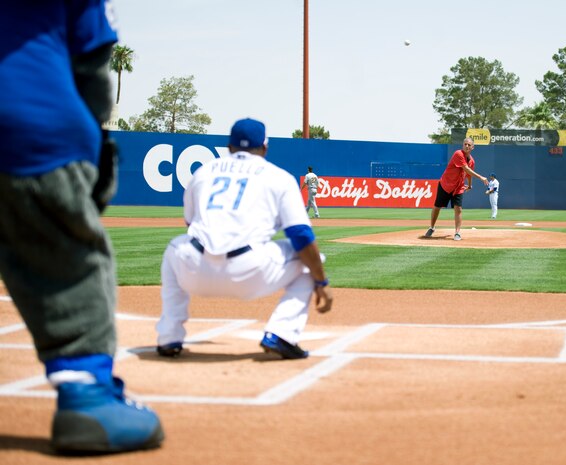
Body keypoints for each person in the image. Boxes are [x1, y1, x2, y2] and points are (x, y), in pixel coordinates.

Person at [0, 0, 164, 453]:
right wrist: (94, 143)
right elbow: (91, 64)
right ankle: (88, 397)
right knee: (72, 260)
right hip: (27, 124)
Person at [156, 118, 333, 360]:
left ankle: (169, 336)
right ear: (264, 147)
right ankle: (282, 333)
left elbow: (190, 224)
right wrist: (321, 283)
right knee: (310, 259)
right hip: (248, 272)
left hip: (196, 268)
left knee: (174, 248)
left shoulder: (204, 171)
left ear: (229, 147)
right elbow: (301, 235)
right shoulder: (278, 177)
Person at [424, 137, 488, 240]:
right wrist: (481, 177)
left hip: (458, 187)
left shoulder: (472, 161)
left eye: (469, 145)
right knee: (437, 207)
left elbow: (468, 174)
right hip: (445, 184)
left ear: (473, 147)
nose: (466, 146)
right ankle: (432, 227)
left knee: (458, 209)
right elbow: (466, 169)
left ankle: (457, 233)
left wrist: (470, 185)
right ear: (463, 145)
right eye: (465, 144)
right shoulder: (458, 154)